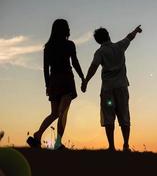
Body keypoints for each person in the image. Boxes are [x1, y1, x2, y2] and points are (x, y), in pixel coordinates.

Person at [81, 25, 142, 151]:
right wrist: (136, 30)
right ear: (108, 35)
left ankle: (112, 146)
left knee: (108, 116)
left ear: (98, 41)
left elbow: (94, 66)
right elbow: (129, 38)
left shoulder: (100, 52)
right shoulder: (119, 46)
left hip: (108, 89)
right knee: (124, 115)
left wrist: (86, 81)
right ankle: (126, 145)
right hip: (122, 87)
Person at [27, 19, 84, 150]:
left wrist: (47, 85)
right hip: (66, 80)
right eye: (68, 27)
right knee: (62, 113)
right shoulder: (69, 44)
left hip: (54, 81)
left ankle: (38, 134)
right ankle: (58, 143)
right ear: (64, 29)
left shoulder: (48, 47)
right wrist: (82, 77)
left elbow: (45, 68)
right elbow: (74, 62)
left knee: (54, 113)